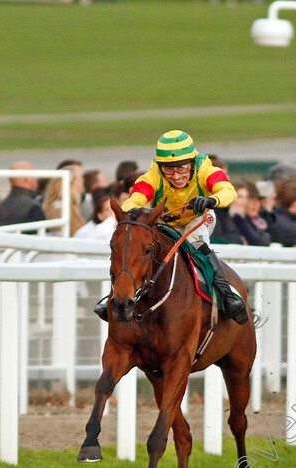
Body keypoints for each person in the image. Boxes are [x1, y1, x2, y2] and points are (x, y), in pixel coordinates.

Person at [96, 130, 247, 324]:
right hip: (166, 221)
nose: (176, 176)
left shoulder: (206, 169)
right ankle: (115, 298)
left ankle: (227, 294)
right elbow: (133, 199)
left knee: (196, 243)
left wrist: (211, 199)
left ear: (192, 163)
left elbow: (228, 191)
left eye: (182, 168)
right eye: (169, 169)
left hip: (199, 217)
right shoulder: (153, 175)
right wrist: (137, 210)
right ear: (161, 167)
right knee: (138, 249)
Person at [0, 161, 47, 229]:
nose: (35, 178)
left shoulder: (0, 207)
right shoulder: (33, 208)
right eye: (33, 174)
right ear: (26, 179)